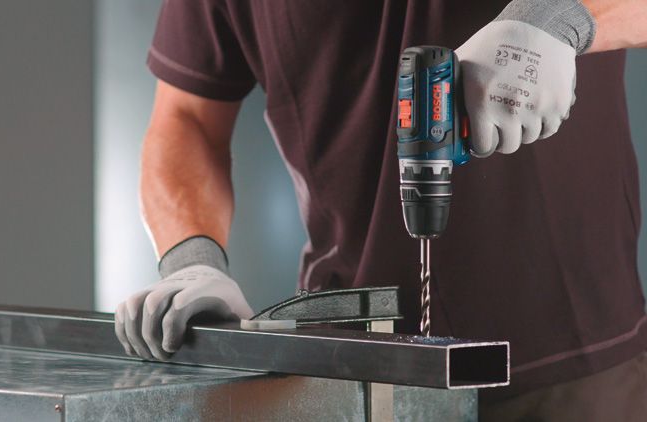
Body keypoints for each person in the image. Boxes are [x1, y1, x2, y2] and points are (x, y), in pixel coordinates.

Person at [114, 0, 647, 419]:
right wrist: (192, 261)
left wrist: (556, 19)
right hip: (350, 363)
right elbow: (186, 121)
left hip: (573, 361)